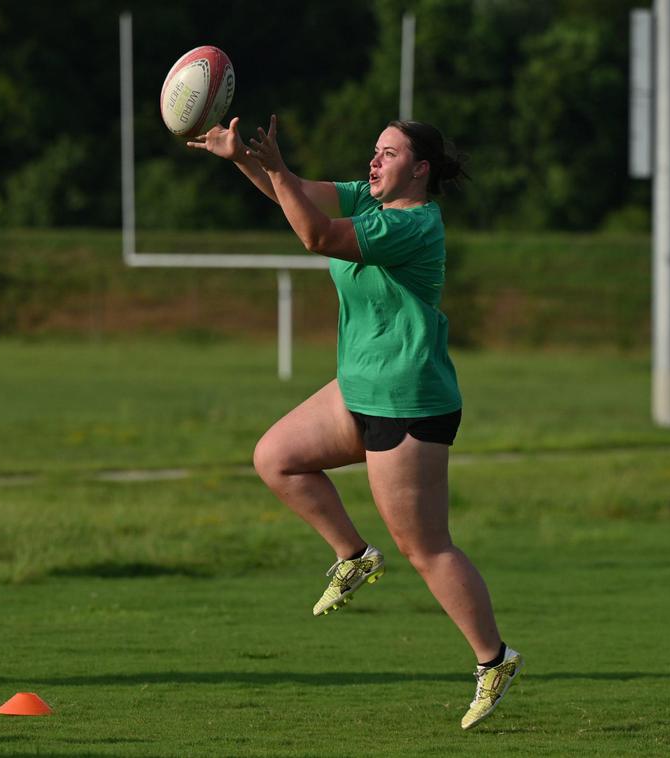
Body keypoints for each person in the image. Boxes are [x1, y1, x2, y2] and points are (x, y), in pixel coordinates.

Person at [187, 114, 522, 730]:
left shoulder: (411, 223)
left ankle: (493, 659)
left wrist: (279, 172)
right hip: (358, 389)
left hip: (410, 400)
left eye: (388, 153)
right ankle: (352, 554)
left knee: (425, 548)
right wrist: (243, 159)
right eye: (373, 151)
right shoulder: (364, 198)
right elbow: (292, 194)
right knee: (275, 458)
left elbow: (315, 236)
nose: (374, 161)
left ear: (419, 169)